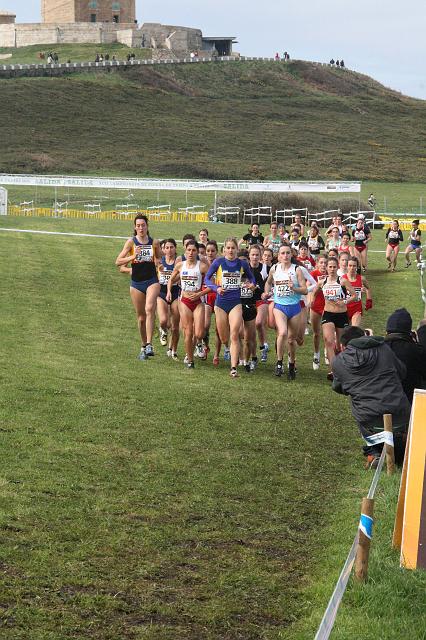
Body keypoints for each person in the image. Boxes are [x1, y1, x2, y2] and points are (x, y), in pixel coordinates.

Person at [332, 325, 411, 467]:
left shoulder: (339, 361)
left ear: (343, 346)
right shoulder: (384, 349)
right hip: (401, 418)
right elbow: (402, 372)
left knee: (358, 401)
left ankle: (374, 450)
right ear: (364, 336)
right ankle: (389, 450)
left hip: (370, 423)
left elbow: (339, 387)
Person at [205, 238, 256, 377]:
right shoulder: (218, 262)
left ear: (236, 249)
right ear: (224, 250)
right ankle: (226, 347)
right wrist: (216, 288)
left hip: (235, 302)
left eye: (233, 248)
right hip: (220, 303)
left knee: (235, 335)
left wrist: (252, 285)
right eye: (228, 248)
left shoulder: (242, 264)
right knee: (224, 338)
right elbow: (207, 279)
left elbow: (252, 279)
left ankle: (233, 368)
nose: (231, 250)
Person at [115, 214, 161, 360]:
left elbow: (159, 260)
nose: (141, 228)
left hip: (152, 280)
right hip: (136, 283)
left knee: (149, 309)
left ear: (147, 226)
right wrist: (133, 257)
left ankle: (149, 344)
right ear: (135, 227)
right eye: (138, 225)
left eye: (143, 225)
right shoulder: (131, 243)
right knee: (141, 318)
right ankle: (143, 346)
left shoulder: (154, 243)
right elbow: (118, 262)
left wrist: (159, 265)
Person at [262, 245, 307, 378]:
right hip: (279, 306)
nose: (285, 255)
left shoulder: (297, 270)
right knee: (282, 333)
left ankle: (292, 364)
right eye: (283, 253)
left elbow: (304, 290)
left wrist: (294, 288)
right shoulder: (274, 268)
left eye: (288, 253)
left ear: (291, 255)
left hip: (294, 307)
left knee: (291, 340)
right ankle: (279, 363)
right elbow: (268, 282)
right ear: (279, 256)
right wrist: (267, 292)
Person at [166, 240, 210, 369]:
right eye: (189, 250)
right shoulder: (180, 265)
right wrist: (169, 291)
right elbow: (171, 279)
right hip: (184, 301)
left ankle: (196, 345)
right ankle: (190, 359)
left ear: (197, 252)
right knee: (188, 331)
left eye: (194, 250)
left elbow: (212, 285)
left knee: (199, 333)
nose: (191, 253)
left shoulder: (202, 266)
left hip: (198, 302)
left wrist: (200, 293)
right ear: (185, 251)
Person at [312, 256, 356, 379]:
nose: (331, 269)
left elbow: (354, 295)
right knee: (329, 341)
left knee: (340, 345)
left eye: (334, 267)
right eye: (329, 267)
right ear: (326, 268)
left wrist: (345, 302)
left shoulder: (342, 281)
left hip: (341, 315)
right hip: (328, 314)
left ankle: (341, 367)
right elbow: (314, 292)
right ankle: (333, 371)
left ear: (337, 268)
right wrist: (311, 301)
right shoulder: (322, 282)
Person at [384, 308, 426, 403]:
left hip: (382, 401)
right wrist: (418, 343)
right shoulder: (416, 350)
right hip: (409, 401)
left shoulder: (378, 348)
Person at [240, 245, 265, 371]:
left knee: (249, 337)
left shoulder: (259, 273)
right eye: (252, 254)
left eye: (257, 255)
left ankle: (249, 359)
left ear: (260, 257)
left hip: (253, 305)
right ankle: (241, 358)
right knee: (240, 334)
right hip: (238, 305)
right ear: (249, 256)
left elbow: (262, 290)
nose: (255, 257)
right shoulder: (241, 270)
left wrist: (255, 288)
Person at [157, 238, 180, 359]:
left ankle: (173, 350)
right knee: (163, 321)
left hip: (175, 293)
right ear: (163, 249)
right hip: (161, 292)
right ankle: (163, 331)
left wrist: (171, 282)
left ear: (175, 248)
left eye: (171, 247)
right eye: (167, 247)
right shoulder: (159, 262)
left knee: (175, 326)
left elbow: (182, 277)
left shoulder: (179, 262)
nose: (169, 250)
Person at [342, 256, 372, 326]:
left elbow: (368, 288)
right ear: (347, 266)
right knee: (345, 332)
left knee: (354, 329)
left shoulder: (362, 279)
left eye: (354, 266)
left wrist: (369, 300)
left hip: (357, 309)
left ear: (357, 267)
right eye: (350, 265)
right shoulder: (342, 279)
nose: (352, 268)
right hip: (344, 309)